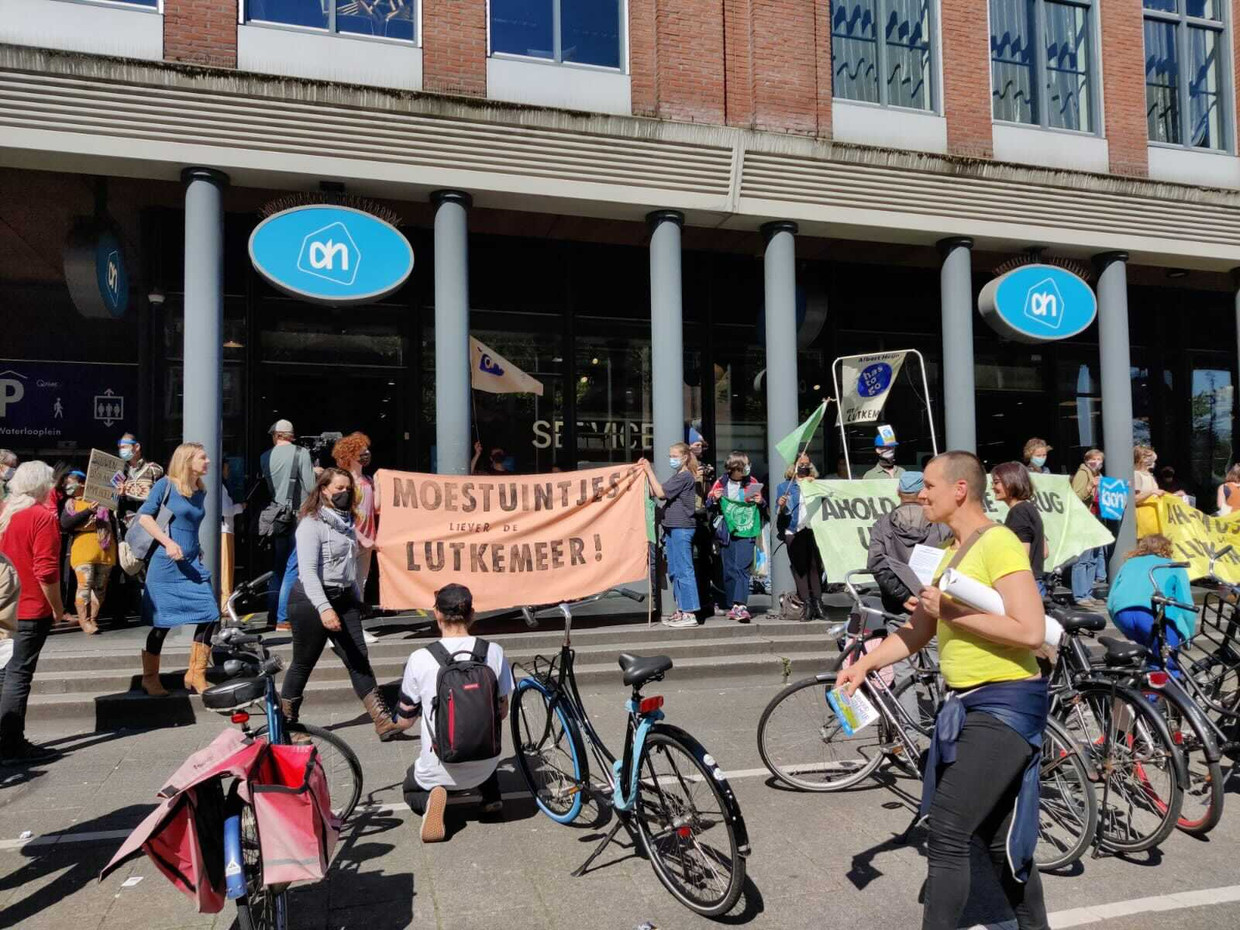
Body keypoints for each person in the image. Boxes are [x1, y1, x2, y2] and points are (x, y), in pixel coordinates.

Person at [836, 451, 1048, 930]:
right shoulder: (952, 551)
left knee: (949, 831)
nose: (921, 495)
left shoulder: (999, 542)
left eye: (930, 486)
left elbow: (1030, 631)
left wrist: (949, 611)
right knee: (998, 844)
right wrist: (864, 664)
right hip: (968, 704)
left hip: (1005, 703)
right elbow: (918, 631)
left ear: (960, 489)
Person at [279, 467, 399, 739]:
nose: (345, 493)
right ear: (324, 490)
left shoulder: (347, 523)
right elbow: (308, 572)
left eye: (348, 488)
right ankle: (287, 724)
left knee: (358, 658)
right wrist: (324, 609)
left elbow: (348, 568)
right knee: (303, 662)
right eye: (339, 489)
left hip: (343, 598)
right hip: (310, 601)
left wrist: (357, 599)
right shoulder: (311, 524)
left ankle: (383, 721)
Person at [392, 583, 512, 843]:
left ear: (437, 613)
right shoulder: (494, 652)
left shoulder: (420, 658)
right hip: (486, 761)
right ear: (472, 614)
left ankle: (429, 798)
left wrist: (393, 722)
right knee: (481, 743)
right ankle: (491, 799)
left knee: (410, 786)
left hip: (439, 765)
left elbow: (405, 720)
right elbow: (502, 711)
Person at [137, 443, 220, 697]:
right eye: (202, 458)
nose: (208, 461)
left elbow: (190, 524)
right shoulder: (165, 485)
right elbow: (144, 517)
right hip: (166, 563)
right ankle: (150, 679)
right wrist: (169, 543)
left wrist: (196, 546)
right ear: (187, 461)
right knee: (163, 623)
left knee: (210, 614)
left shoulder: (200, 490)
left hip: (191, 561)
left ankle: (196, 674)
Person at [0, 462, 64, 764]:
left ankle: (6, 740)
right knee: (18, 674)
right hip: (29, 607)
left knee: (4, 674)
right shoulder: (41, 516)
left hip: (5, 605)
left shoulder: (4, 513)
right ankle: (11, 745)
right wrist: (58, 607)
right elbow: (46, 571)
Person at [866, 470, 951, 615]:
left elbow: (877, 564)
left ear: (898, 492)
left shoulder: (882, 524)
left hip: (897, 609)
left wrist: (904, 596)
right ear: (924, 493)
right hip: (934, 605)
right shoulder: (942, 523)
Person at [1106, 534, 1195, 669]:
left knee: (1152, 654)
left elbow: (1111, 600)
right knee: (1167, 664)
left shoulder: (1128, 564)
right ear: (1167, 548)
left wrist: (1123, 628)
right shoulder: (1173, 566)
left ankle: (1146, 678)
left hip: (1123, 613)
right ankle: (1163, 680)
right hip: (1152, 614)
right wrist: (1189, 637)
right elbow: (1187, 605)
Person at [259, 420, 315, 627]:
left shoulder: (264, 457)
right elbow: (310, 487)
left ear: (277, 435)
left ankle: (272, 615)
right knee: (293, 566)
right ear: (290, 435)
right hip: (298, 517)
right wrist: (316, 474)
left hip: (277, 516)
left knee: (279, 567)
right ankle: (283, 618)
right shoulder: (301, 453)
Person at [638, 446, 700, 629]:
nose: (671, 459)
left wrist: (649, 471)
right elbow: (655, 490)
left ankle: (689, 612)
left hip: (682, 527)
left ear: (685, 457)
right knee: (675, 570)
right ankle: (681, 609)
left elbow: (661, 493)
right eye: (670, 455)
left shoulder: (685, 476)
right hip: (673, 527)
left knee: (684, 569)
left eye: (674, 456)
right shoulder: (677, 476)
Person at [708, 452, 764, 623]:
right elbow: (709, 504)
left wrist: (760, 501)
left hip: (746, 530)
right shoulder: (721, 483)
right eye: (745, 466)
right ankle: (732, 604)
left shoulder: (752, 482)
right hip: (727, 532)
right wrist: (714, 499)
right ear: (735, 468)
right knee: (729, 569)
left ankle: (741, 605)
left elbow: (762, 506)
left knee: (742, 567)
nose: (748, 468)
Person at [60, 472, 117, 635]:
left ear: (83, 483)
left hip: (104, 548)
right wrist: (88, 511)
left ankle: (93, 618)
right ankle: (84, 620)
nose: (66, 487)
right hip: (83, 549)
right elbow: (65, 524)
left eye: (70, 483)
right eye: (65, 485)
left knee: (100, 587)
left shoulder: (104, 502)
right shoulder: (71, 504)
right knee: (84, 585)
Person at [776, 455, 827, 620]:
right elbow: (780, 511)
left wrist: (815, 485)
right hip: (793, 530)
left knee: (814, 567)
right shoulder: (785, 486)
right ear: (794, 466)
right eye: (801, 464)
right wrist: (781, 505)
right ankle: (806, 605)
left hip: (812, 530)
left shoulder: (815, 484)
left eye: (807, 464)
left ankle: (818, 603)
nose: (804, 467)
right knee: (800, 569)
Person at [992, 462, 1048, 596]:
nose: (993, 487)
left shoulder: (1018, 512)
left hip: (1024, 586)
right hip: (1035, 583)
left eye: (996, 482)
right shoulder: (1029, 508)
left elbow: (1020, 556)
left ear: (1011, 482)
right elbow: (1045, 552)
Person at [1068, 449, 1107, 608]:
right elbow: (1076, 496)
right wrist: (1090, 486)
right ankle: (1079, 595)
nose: (1097, 462)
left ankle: (1088, 593)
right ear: (1087, 460)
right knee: (1082, 560)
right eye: (1093, 459)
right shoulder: (1083, 474)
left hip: (1095, 519)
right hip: (1083, 520)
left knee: (1093, 559)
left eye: (1099, 459)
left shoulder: (1098, 475)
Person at [116, 434, 164, 528]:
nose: (121, 451)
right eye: (120, 448)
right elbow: (115, 504)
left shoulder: (154, 470)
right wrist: (121, 496)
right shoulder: (120, 472)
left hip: (150, 525)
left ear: (137, 447)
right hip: (128, 526)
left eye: (124, 447)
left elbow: (161, 497)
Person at [218, 460, 245, 612]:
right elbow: (226, 511)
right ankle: (225, 605)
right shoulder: (220, 488)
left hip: (226, 530)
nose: (228, 472)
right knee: (225, 569)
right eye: (226, 469)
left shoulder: (221, 487)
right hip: (225, 530)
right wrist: (240, 507)